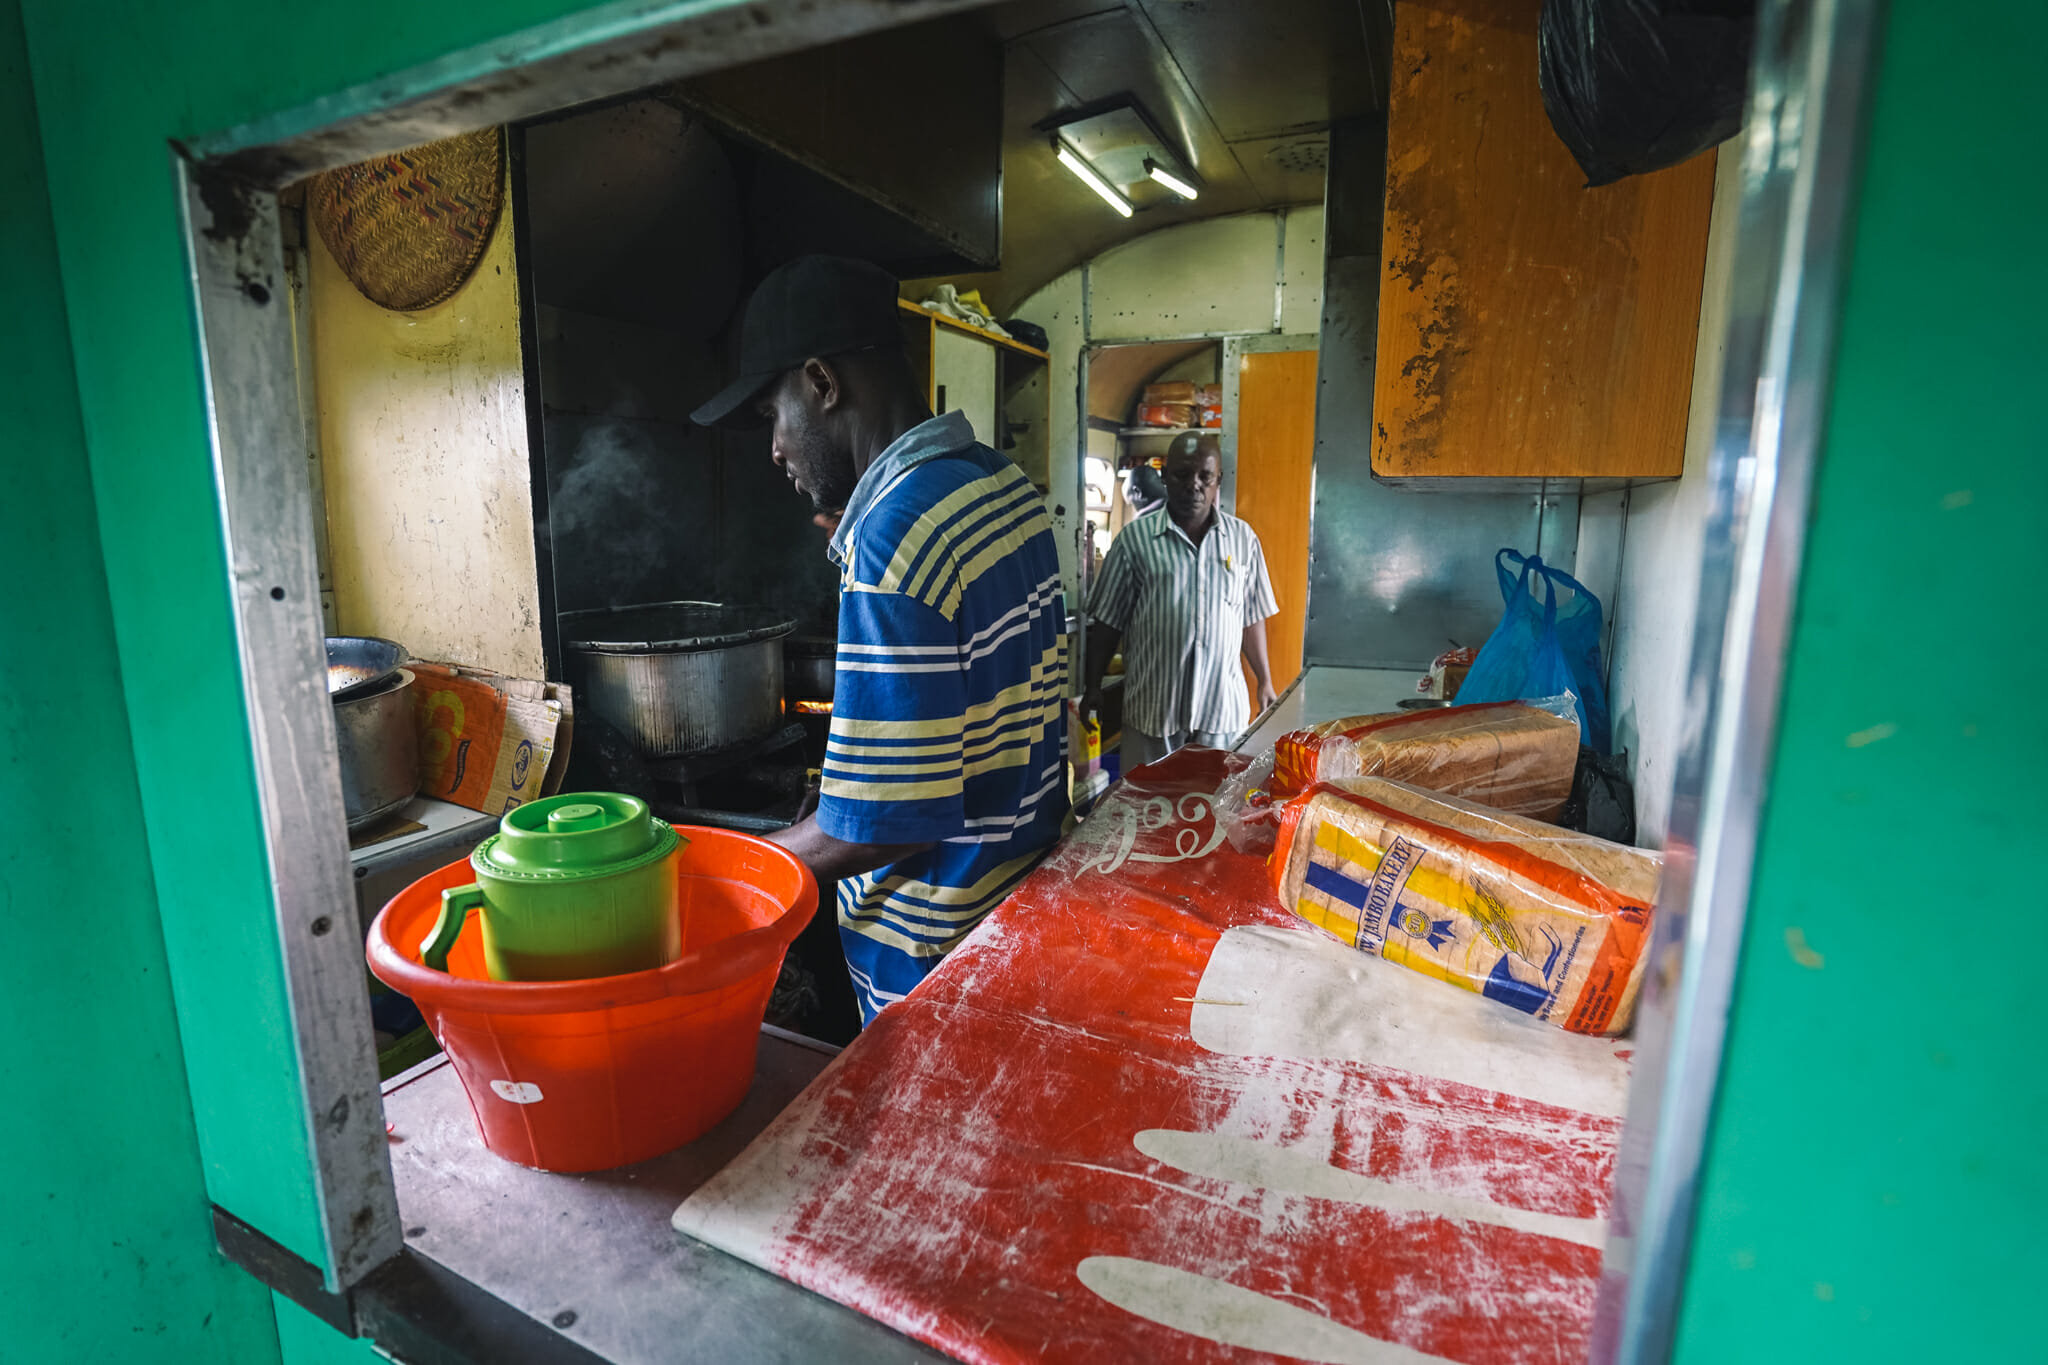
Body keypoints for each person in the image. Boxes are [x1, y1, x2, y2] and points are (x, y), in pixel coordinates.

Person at [691, 255, 1069, 1024]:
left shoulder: (896, 534)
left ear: (822, 383)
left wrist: (736, 873)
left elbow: (879, 822)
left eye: (772, 414)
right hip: (1011, 917)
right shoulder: (1002, 484)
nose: (774, 450)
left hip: (930, 970)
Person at [1081, 432, 1280, 770]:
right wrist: (1092, 686)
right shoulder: (1134, 541)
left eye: (1205, 476)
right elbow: (1107, 622)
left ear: (1218, 480)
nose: (1194, 485)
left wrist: (1265, 681)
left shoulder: (1243, 540)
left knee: (1218, 802)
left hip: (1221, 713)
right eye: (1182, 475)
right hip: (1153, 714)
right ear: (1165, 477)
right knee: (1146, 803)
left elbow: (1251, 616)